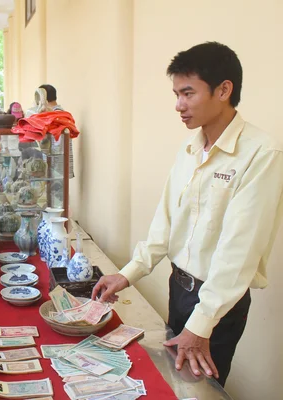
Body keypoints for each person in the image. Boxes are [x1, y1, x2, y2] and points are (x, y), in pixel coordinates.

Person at [92, 42, 283, 387]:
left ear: (224, 89)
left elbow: (240, 251)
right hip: (179, 288)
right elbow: (165, 222)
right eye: (176, 94)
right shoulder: (190, 147)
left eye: (188, 93)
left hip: (219, 302)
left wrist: (201, 324)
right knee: (174, 384)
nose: (179, 106)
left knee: (200, 390)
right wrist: (128, 274)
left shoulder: (260, 153)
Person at [39, 84, 74, 178]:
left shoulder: (56, 114)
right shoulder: (57, 113)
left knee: (57, 188)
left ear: (43, 98)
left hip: (56, 160)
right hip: (55, 158)